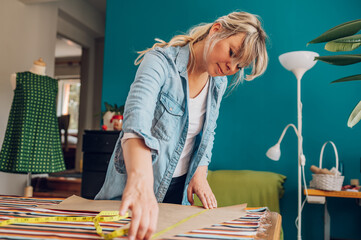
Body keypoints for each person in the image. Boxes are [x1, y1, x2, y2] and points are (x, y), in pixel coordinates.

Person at [95, 11, 268, 240]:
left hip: (180, 192)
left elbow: (209, 130)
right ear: (217, 30)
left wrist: (200, 173)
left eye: (239, 66)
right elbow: (137, 119)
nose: (231, 67)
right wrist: (141, 181)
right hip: (138, 185)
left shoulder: (218, 83)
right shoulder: (160, 62)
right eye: (232, 52)